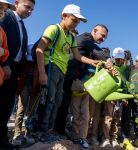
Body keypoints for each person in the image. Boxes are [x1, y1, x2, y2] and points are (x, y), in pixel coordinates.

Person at [35, 4, 99, 142]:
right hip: (51, 67)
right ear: (64, 16)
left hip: (62, 71)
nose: (76, 24)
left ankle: (49, 130)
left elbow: (78, 56)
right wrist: (41, 73)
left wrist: (93, 62)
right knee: (49, 100)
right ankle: (41, 131)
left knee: (57, 101)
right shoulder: (53, 29)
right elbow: (39, 49)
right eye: (74, 20)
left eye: (78, 22)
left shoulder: (70, 37)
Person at [54, 24, 109, 145]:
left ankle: (59, 131)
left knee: (64, 105)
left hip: (70, 77)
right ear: (94, 31)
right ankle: (53, 131)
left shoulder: (88, 43)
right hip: (64, 74)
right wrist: (108, 60)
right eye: (102, 35)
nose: (103, 39)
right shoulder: (86, 38)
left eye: (105, 38)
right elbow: (97, 51)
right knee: (59, 104)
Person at [0, 0, 35, 148]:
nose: (30, 11)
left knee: (7, 105)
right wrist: (5, 64)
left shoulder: (23, 27)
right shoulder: (6, 15)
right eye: (27, 7)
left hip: (14, 71)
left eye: (32, 9)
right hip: (4, 67)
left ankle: (2, 140)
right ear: (17, 3)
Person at [101, 47, 130, 148]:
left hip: (120, 97)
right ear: (113, 58)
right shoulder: (109, 67)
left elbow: (125, 84)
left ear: (123, 59)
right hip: (110, 96)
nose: (118, 61)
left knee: (116, 118)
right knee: (108, 117)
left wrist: (125, 97)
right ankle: (105, 139)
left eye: (120, 59)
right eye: (116, 59)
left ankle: (113, 138)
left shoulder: (125, 69)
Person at [12, 44, 36, 145]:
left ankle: (28, 133)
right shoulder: (24, 62)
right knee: (21, 110)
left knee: (32, 111)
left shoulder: (38, 63)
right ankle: (17, 133)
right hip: (24, 87)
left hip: (35, 87)